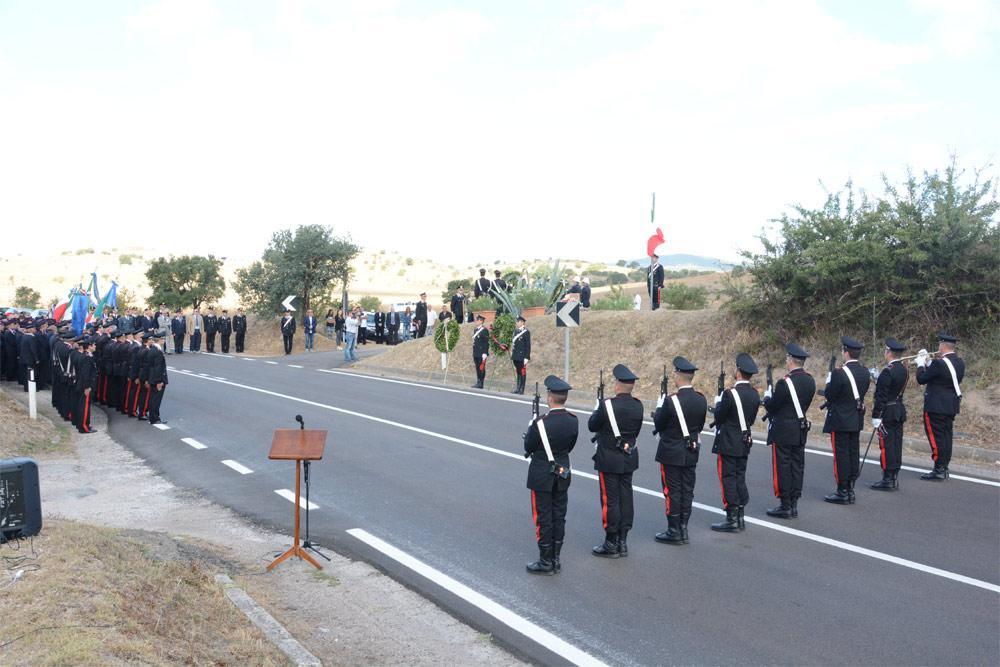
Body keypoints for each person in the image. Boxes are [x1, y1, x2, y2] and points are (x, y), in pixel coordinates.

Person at [524, 375, 578, 575]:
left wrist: (532, 427)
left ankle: (545, 561)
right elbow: (569, 446)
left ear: (550, 397)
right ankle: (555, 558)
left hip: (542, 475)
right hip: (562, 473)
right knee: (559, 516)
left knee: (543, 517)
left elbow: (528, 446)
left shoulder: (540, 423)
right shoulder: (573, 421)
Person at [589, 364, 644, 557]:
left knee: (610, 500)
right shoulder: (638, 405)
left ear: (618, 384)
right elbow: (635, 431)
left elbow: (592, 425)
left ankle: (610, 542)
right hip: (628, 458)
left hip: (609, 458)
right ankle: (623, 540)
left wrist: (598, 409)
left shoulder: (607, 405)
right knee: (626, 497)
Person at [653, 357, 707, 545]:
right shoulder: (701, 399)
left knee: (672, 491)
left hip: (671, 451)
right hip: (690, 451)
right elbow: (699, 426)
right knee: (687, 490)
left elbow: (659, 424)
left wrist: (659, 407)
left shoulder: (670, 401)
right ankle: (683, 527)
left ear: (678, 376)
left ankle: (673, 530)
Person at [763, 343, 816, 518]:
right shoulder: (810, 380)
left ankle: (785, 504)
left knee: (783, 467)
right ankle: (794, 503)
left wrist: (767, 397)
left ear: (790, 360)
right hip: (799, 428)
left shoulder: (784, 383)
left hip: (784, 429)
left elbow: (773, 407)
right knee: (797, 465)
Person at [709, 353, 761, 532]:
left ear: (738, 371)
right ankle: (740, 516)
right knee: (740, 477)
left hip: (729, 442)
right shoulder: (754, 394)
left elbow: (719, 417)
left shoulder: (730, 394)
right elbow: (752, 419)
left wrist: (719, 404)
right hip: (744, 440)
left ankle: (731, 519)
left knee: (728, 479)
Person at [821, 336, 872, 505]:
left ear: (846, 352)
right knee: (852, 452)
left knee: (841, 455)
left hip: (840, 419)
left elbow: (830, 395)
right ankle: (850, 488)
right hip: (855, 418)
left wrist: (829, 382)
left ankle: (842, 490)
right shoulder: (865, 372)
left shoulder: (839, 373)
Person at [915, 333, 965, 481]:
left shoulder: (939, 364)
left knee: (936, 438)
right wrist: (929, 362)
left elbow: (921, 379)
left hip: (935, 406)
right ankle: (944, 466)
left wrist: (920, 364)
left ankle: (938, 469)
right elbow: (942, 375)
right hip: (950, 405)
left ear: (942, 345)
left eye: (939, 344)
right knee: (946, 437)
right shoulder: (959, 362)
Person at [871, 337, 908, 490]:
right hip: (898, 409)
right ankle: (894, 477)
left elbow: (881, 396)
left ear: (889, 352)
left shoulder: (888, 371)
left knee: (886, 445)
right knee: (896, 444)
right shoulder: (904, 370)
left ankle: (887, 479)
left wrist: (876, 415)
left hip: (887, 411)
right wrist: (879, 379)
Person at [72, 336, 98, 434]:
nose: (95, 346)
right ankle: (84, 427)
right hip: (85, 386)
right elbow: (85, 374)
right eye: (94, 345)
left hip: (84, 384)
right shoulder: (87, 358)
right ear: (89, 346)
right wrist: (87, 387)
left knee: (85, 406)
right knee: (84, 407)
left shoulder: (87, 356)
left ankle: (86, 424)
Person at [146, 333, 169, 425]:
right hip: (157, 380)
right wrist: (159, 381)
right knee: (156, 399)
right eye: (163, 339)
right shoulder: (157, 351)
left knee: (153, 398)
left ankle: (153, 417)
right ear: (159, 340)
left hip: (152, 378)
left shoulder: (153, 349)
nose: (164, 341)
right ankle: (154, 418)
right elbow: (158, 368)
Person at [510, 316, 531, 394]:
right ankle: (518, 387)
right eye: (517, 321)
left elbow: (528, 345)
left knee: (522, 372)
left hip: (522, 356)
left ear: (522, 322)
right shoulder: (516, 331)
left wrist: (526, 357)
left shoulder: (526, 332)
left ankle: (522, 388)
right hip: (516, 355)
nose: (517, 323)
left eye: (518, 321)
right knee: (518, 371)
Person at [471, 314, 489, 389]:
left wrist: (485, 352)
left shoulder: (484, 330)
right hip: (476, 352)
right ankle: (478, 381)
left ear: (481, 321)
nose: (476, 321)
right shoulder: (475, 330)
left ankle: (481, 383)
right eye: (476, 319)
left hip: (482, 353)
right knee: (477, 367)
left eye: (478, 320)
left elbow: (486, 342)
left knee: (481, 368)